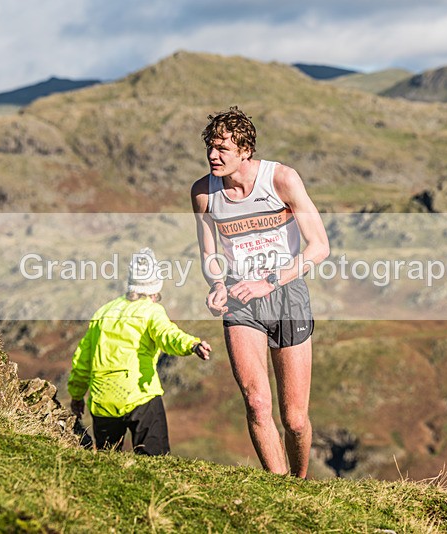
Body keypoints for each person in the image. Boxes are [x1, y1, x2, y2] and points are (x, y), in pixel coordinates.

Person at [190, 107, 330, 478]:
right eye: (210, 147)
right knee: (256, 403)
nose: (213, 156)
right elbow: (209, 254)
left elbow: (319, 247)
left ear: (245, 151)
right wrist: (216, 285)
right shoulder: (203, 193)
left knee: (295, 420)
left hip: (286, 295)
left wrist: (269, 281)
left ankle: (300, 484)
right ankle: (280, 491)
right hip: (240, 301)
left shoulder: (281, 179)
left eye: (222, 148)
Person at [67, 248, 211, 455]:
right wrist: (192, 345)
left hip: (103, 399)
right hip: (140, 395)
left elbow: (82, 360)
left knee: (108, 461)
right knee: (155, 460)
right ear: (155, 289)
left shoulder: (103, 313)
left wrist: (76, 395)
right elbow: (167, 335)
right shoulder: (151, 311)